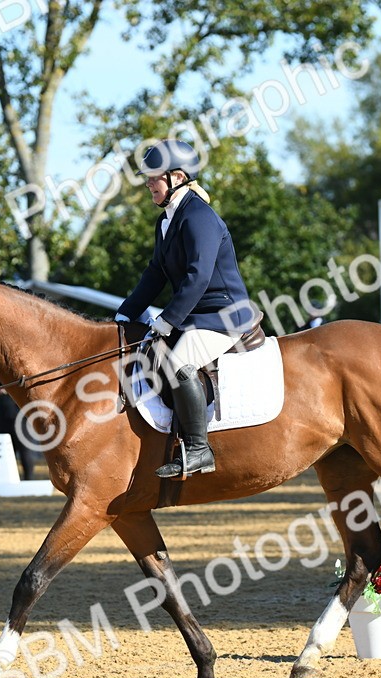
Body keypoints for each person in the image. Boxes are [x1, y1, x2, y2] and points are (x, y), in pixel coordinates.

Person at [114, 139, 254, 479]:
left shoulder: (198, 217)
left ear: (177, 177)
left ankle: (198, 449)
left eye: (154, 177)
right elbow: (155, 274)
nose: (148, 183)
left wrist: (168, 319)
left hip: (222, 314)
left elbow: (198, 276)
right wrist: (125, 313)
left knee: (178, 363)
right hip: (196, 316)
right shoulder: (167, 220)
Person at [0, 382, 36, 480]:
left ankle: (29, 480)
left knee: (25, 452)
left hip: (20, 421)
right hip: (3, 420)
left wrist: (9, 391)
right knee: (5, 453)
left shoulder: (20, 376)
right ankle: (4, 479)